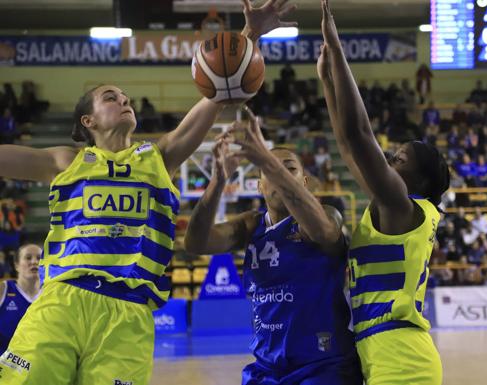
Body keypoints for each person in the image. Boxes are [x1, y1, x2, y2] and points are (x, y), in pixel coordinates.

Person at [0, 2, 295, 384]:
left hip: (129, 313)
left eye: (126, 98)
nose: (124, 101)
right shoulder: (66, 160)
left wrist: (248, 36)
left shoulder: (158, 157)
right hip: (63, 300)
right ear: (87, 121)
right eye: (111, 97)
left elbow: (219, 88)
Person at [317, 1, 449, 384]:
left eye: (400, 160)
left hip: (401, 358)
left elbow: (360, 136)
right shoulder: (390, 208)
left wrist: (338, 51)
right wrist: (327, 81)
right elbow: (345, 144)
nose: (390, 159)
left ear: (418, 182)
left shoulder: (401, 206)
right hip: (379, 351)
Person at [184, 108, 361, 385]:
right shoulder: (251, 226)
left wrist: (267, 159)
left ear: (304, 182)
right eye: (270, 169)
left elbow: (322, 233)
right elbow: (195, 242)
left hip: (324, 366)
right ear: (259, 186)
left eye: (289, 168)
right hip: (267, 368)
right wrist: (218, 182)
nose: (280, 174)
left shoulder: (328, 214)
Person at [0, 244, 41, 354]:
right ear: (16, 265)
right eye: (28, 258)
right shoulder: (3, 289)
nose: (34, 262)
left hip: (39, 365)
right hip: (5, 366)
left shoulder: (52, 293)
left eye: (39, 258)